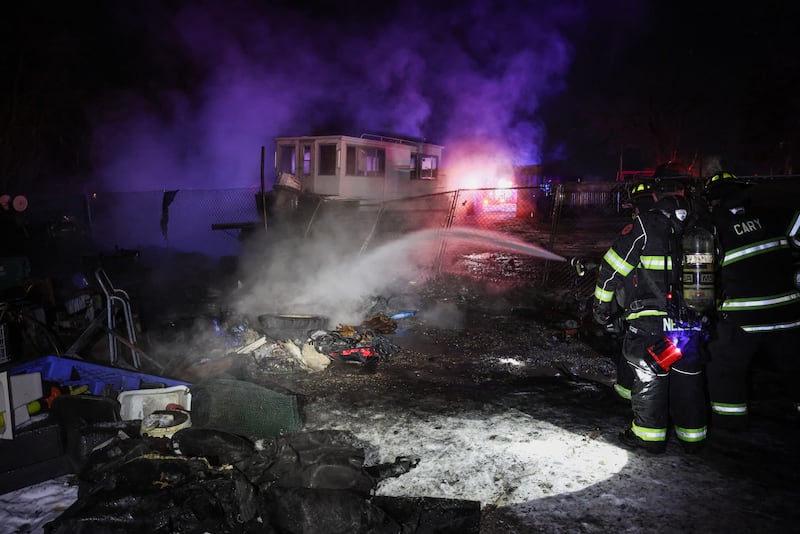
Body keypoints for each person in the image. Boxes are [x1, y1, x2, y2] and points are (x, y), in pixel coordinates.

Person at [593, 179, 708, 454]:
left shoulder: (645, 225)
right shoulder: (699, 225)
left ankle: (648, 436)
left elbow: (613, 268)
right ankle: (692, 436)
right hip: (691, 321)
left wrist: (601, 307)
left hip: (652, 321)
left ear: (656, 197)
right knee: (688, 376)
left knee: (650, 373)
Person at [704, 172, 800, 430]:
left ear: (713, 200)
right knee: (794, 364)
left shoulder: (712, 225)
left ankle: (729, 421)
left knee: (724, 366)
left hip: (743, 316)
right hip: (788, 311)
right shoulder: (774, 214)